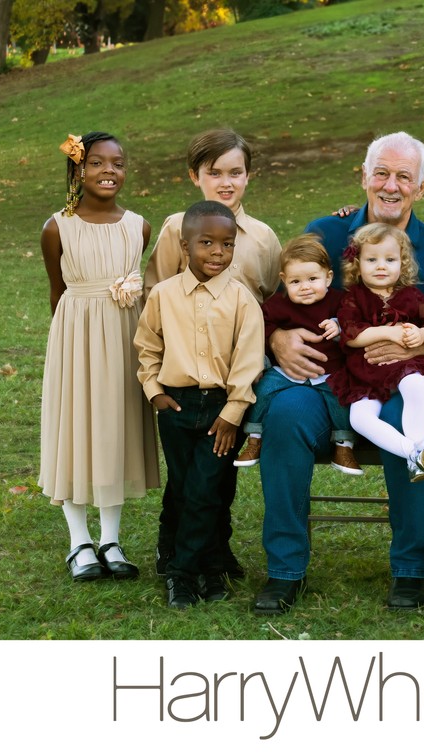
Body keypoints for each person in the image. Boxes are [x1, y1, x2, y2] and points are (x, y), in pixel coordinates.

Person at [258, 132, 424, 614]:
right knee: (285, 416)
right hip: (328, 379)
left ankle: (410, 570)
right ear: (364, 176)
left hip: (406, 378)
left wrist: (416, 347)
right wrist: (277, 339)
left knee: (408, 422)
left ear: (422, 186)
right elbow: (282, 297)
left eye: (404, 177)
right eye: (381, 173)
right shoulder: (326, 235)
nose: (391, 186)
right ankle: (285, 568)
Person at [144, 128, 282, 581]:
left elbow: (272, 302)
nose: (226, 182)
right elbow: (158, 295)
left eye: (236, 172)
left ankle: (216, 550)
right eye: (215, 172)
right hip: (184, 377)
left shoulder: (262, 238)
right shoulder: (175, 229)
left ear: (249, 176)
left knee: (221, 474)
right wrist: (156, 378)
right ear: (195, 176)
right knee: (188, 477)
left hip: (237, 378)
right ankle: (174, 551)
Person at [39, 131, 159, 582]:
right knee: (76, 430)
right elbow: (58, 293)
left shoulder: (139, 226)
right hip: (76, 338)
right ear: (78, 169)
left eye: (118, 163)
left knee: (115, 430)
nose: (109, 170)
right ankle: (79, 542)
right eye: (97, 162)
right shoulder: (57, 227)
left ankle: (110, 537)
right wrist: (77, 339)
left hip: (125, 336)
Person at [134, 200, 265, 608]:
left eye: (226, 245)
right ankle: (204, 563)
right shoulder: (163, 295)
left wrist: (232, 414)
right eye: (206, 243)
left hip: (222, 410)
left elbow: (248, 362)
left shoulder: (243, 300)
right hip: (175, 405)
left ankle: (183, 574)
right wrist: (154, 390)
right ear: (184, 244)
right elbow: (147, 346)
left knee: (207, 488)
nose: (217, 253)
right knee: (184, 485)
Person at [231, 234, 361, 475]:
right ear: (284, 281)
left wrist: (340, 326)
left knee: (341, 400)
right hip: (286, 371)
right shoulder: (277, 305)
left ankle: (344, 447)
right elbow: (260, 327)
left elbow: (355, 321)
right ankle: (254, 438)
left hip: (329, 371)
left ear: (328, 277)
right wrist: (273, 339)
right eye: (296, 281)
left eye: (313, 279)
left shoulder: (341, 301)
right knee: (261, 392)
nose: (305, 287)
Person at [328, 223, 424, 481]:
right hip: (366, 375)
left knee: (416, 386)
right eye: (372, 259)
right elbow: (351, 332)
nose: (381, 266)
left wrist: (421, 335)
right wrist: (389, 332)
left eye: (390, 259)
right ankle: (414, 454)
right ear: (357, 264)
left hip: (406, 367)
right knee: (359, 418)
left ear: (402, 264)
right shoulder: (353, 298)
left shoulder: (411, 296)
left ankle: (418, 447)